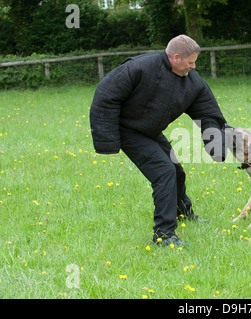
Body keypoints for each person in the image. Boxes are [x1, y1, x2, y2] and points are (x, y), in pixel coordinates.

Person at [90, 35, 227, 247]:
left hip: (150, 131)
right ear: (175, 57)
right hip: (128, 131)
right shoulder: (140, 68)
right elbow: (106, 95)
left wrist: (215, 145)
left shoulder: (192, 82)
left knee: (177, 171)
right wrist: (107, 140)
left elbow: (208, 113)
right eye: (190, 61)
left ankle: (183, 213)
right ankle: (164, 234)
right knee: (164, 172)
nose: (194, 65)